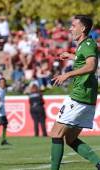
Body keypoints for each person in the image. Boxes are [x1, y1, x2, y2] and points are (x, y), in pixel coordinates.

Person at [50, 15, 100, 170]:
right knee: (71, 139)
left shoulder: (87, 45)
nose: (70, 28)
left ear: (82, 28)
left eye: (73, 25)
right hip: (87, 98)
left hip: (80, 96)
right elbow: (85, 59)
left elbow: (91, 66)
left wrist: (67, 74)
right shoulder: (85, 45)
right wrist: (71, 56)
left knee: (56, 133)